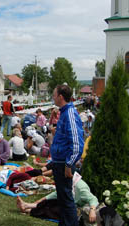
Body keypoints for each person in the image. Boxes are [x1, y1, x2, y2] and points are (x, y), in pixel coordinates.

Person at [51, 84, 84, 226]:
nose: (52, 97)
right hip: (59, 162)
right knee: (63, 199)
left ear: (60, 97)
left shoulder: (70, 113)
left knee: (66, 199)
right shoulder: (64, 112)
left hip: (64, 164)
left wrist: (69, 164)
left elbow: (76, 144)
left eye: (54, 94)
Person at [16, 172, 101, 226]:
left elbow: (93, 199)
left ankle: (28, 210)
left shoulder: (80, 187)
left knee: (54, 209)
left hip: (78, 212)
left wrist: (92, 210)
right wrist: (43, 198)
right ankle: (26, 206)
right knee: (49, 202)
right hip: (70, 205)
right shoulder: (68, 182)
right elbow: (58, 193)